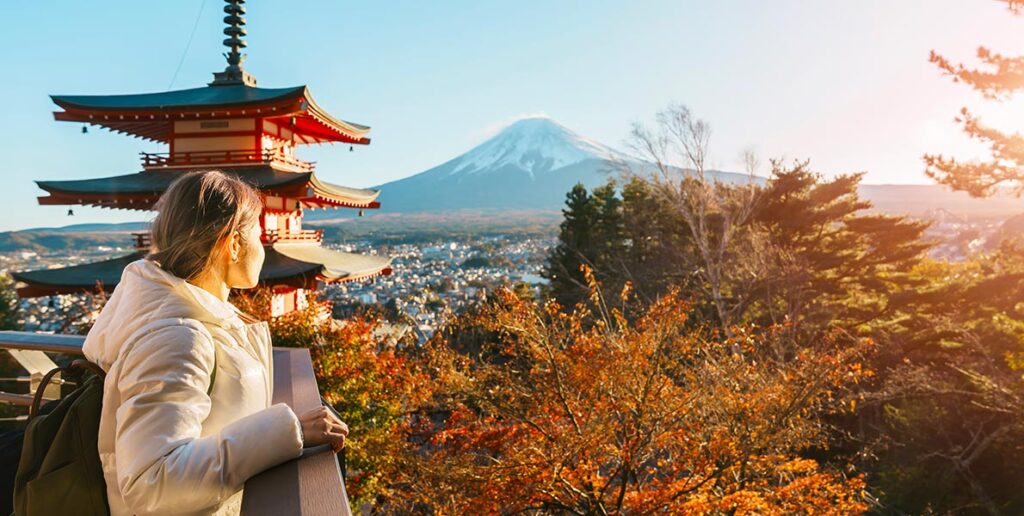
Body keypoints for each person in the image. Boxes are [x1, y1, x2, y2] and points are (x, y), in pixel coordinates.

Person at [82, 170, 349, 515]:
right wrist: (289, 430)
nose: (262, 249)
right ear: (233, 244)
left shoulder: (193, 317)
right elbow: (152, 482)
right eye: (258, 235)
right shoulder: (177, 337)